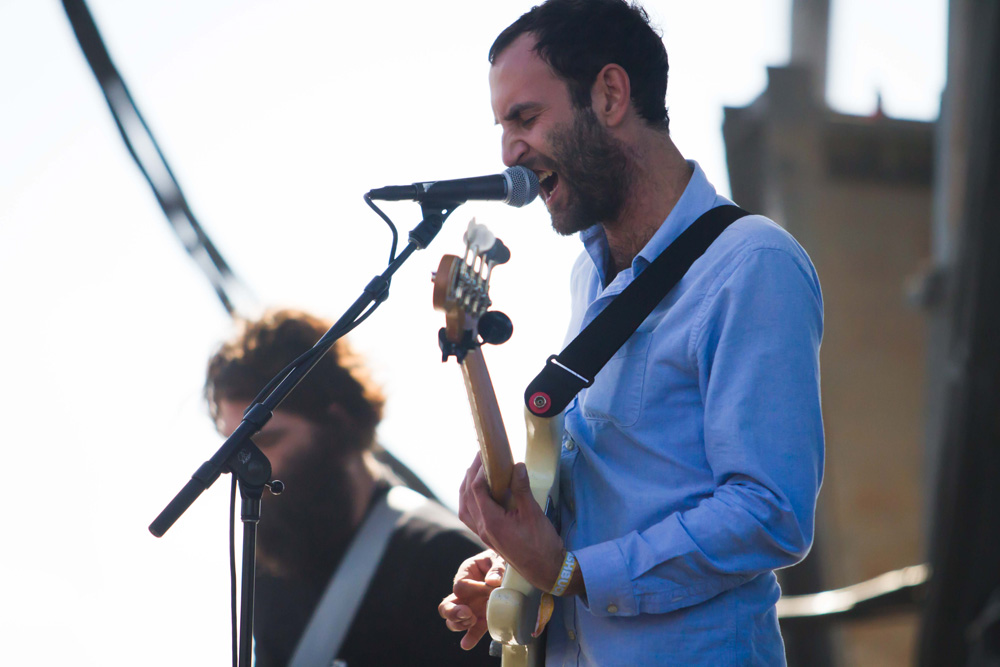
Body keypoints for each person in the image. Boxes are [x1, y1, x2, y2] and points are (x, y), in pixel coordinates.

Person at [438, 1, 825, 664]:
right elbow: (613, 506)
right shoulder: (587, 281)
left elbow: (770, 511)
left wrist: (573, 574)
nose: (508, 153)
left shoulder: (752, 263)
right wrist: (520, 571)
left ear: (610, 94)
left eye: (525, 118)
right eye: (502, 127)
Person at [205, 308, 492, 666]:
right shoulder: (273, 565)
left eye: (267, 441)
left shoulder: (447, 562)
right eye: (233, 449)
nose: (245, 469)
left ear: (336, 424)